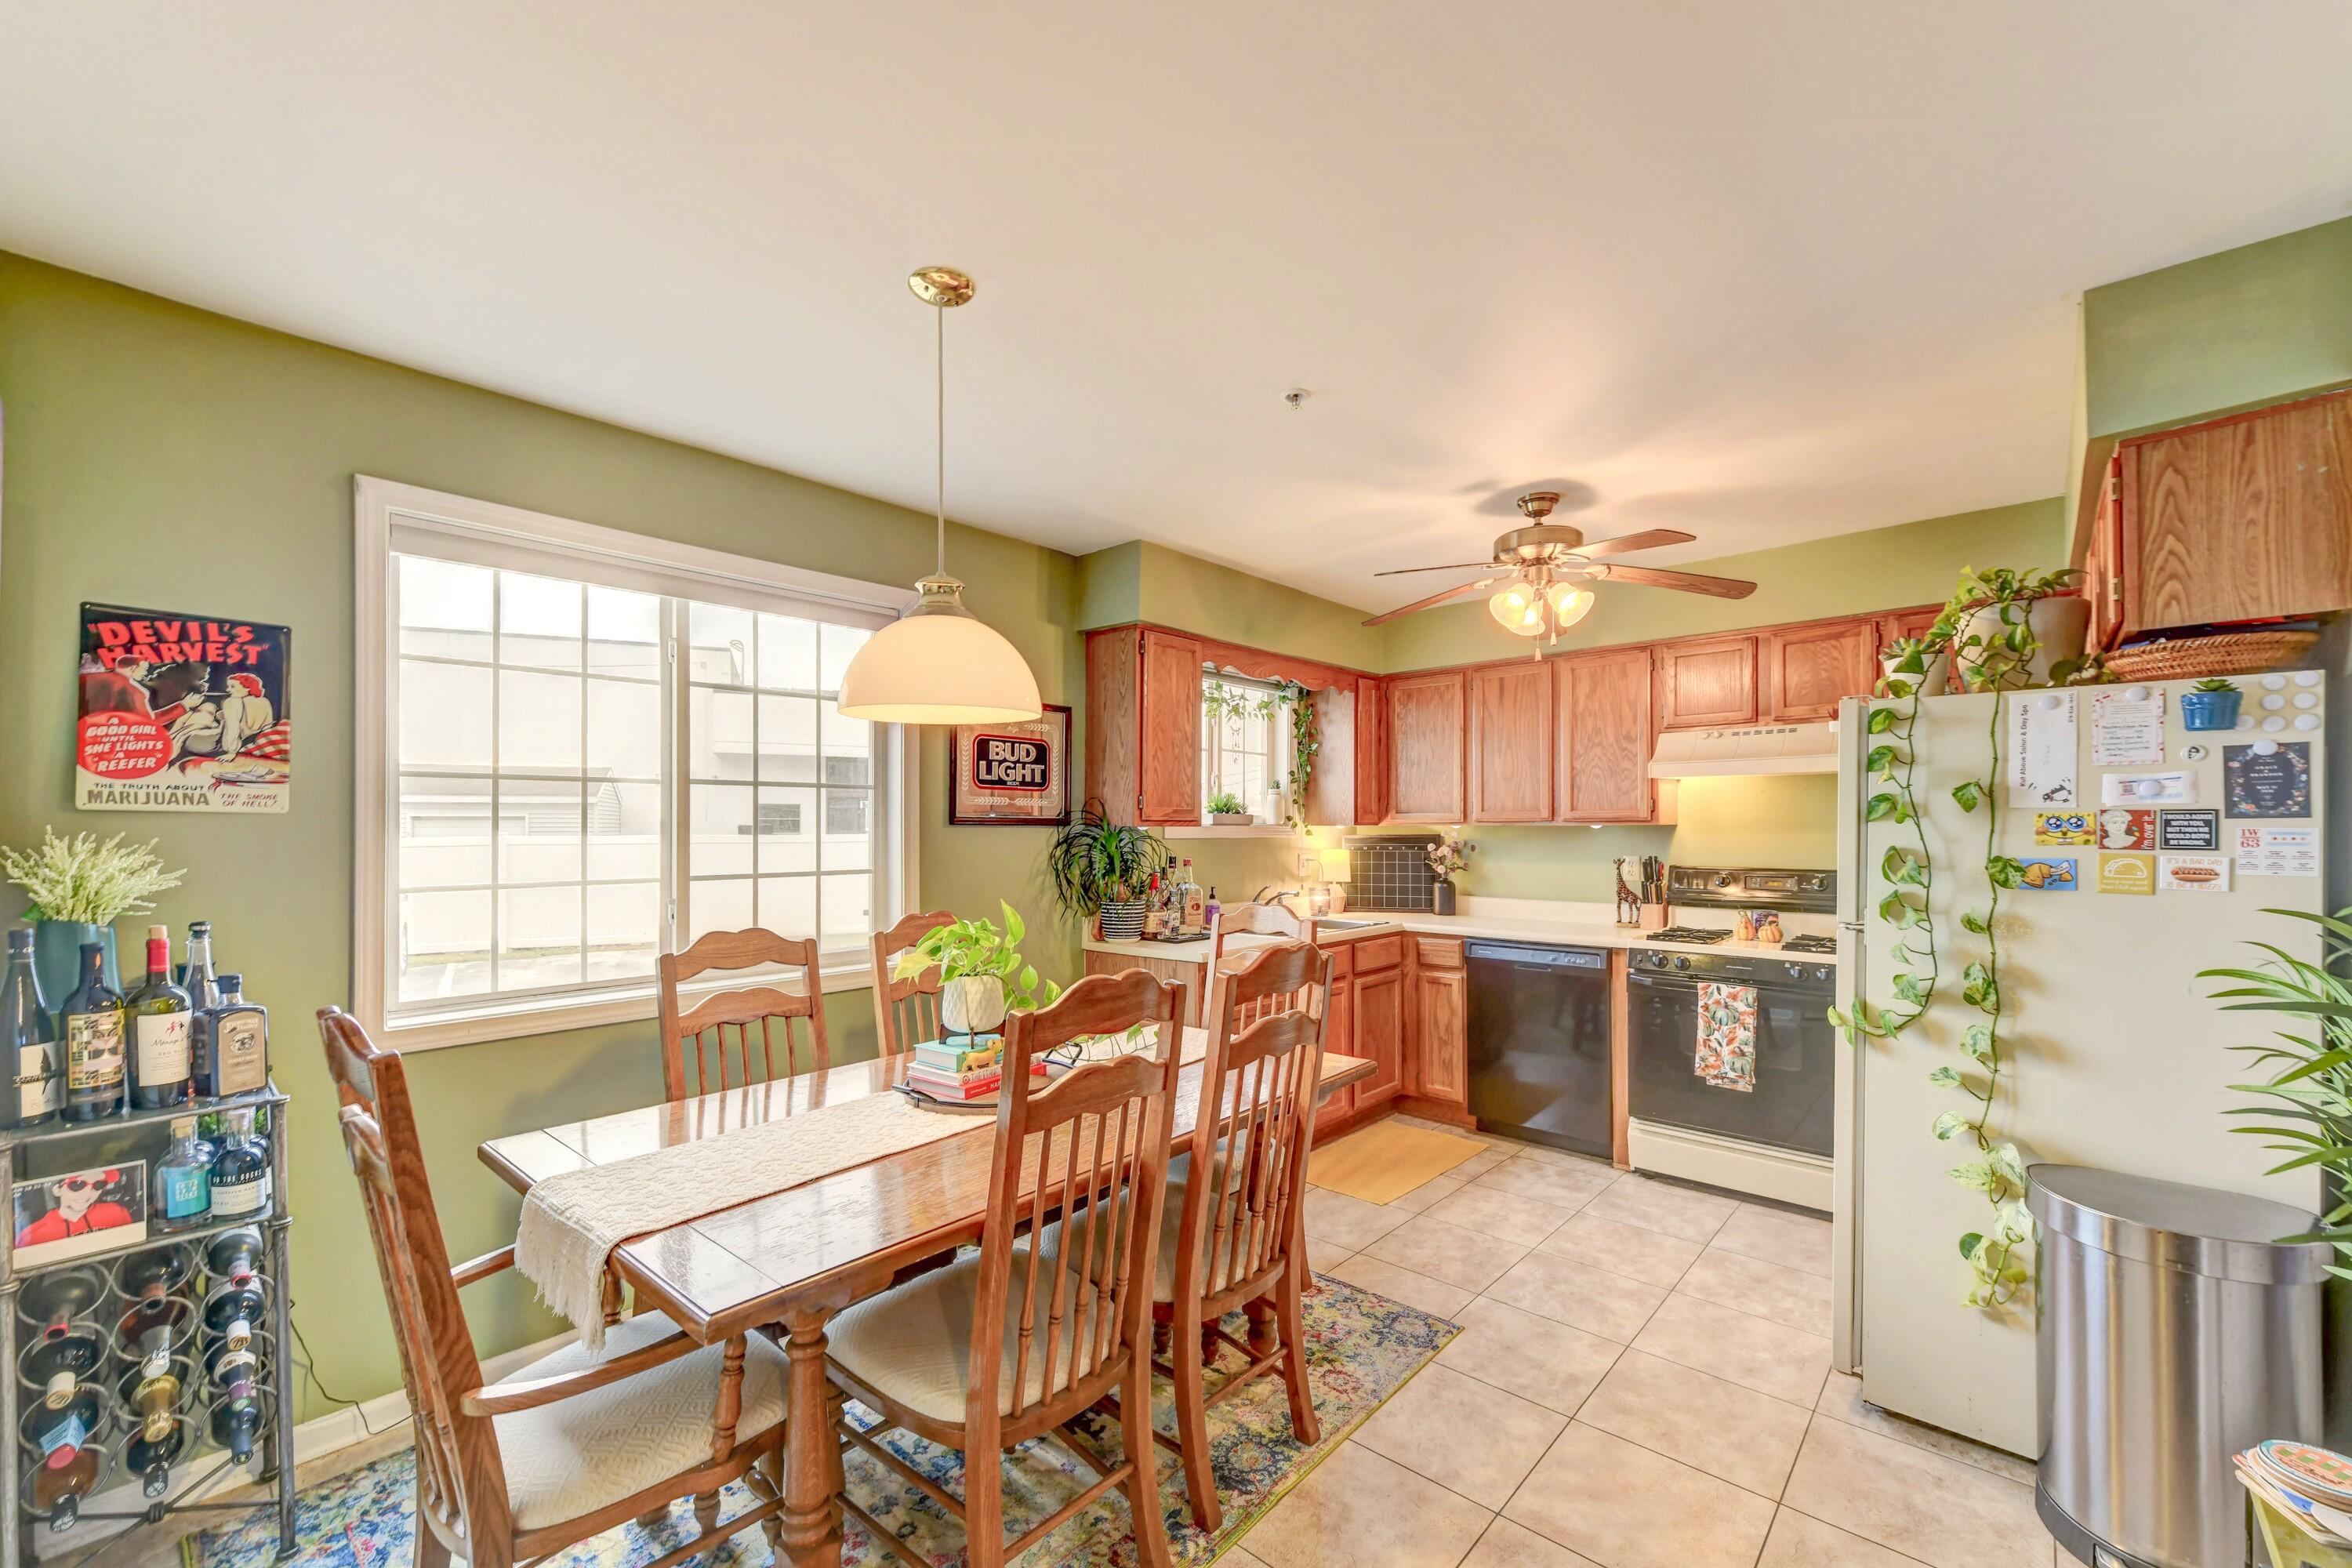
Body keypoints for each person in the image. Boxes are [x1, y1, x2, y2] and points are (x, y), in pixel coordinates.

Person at [15, 1171, 136, 1247]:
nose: (87, 1194)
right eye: (77, 1184)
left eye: (98, 1184)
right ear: (57, 1190)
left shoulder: (116, 1213)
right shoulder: (32, 1236)